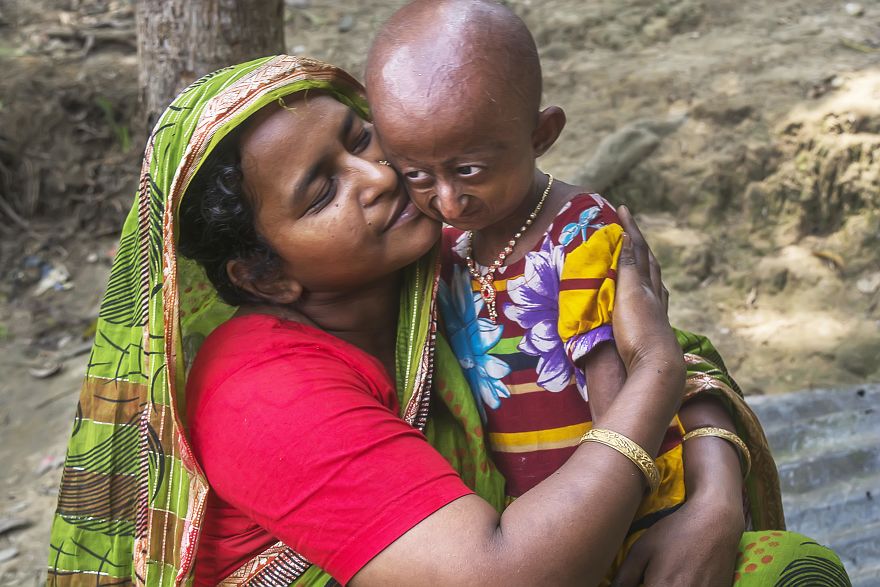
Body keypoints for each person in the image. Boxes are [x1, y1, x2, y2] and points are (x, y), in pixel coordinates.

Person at [46, 56, 849, 587]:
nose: (376, 178)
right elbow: (501, 573)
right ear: (265, 275)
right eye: (322, 192)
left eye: (362, 139)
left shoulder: (448, 254)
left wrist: (714, 499)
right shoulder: (262, 393)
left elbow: (657, 340)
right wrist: (658, 377)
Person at [364, 1, 851, 585]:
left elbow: (612, 385)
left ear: (542, 134)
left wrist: (616, 511)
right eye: (417, 176)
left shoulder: (579, 236)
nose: (446, 200)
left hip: (620, 501)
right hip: (521, 520)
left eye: (469, 170)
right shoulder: (443, 247)